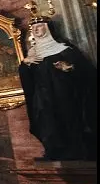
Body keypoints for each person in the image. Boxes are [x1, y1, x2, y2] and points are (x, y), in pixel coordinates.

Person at [18, 18, 97, 161]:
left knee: (68, 119)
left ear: (48, 29)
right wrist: (25, 64)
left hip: (63, 94)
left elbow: (86, 72)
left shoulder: (63, 49)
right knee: (46, 123)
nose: (36, 30)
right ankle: (53, 150)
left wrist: (70, 68)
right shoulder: (33, 53)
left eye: (40, 26)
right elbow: (28, 79)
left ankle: (75, 150)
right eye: (33, 27)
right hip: (42, 98)